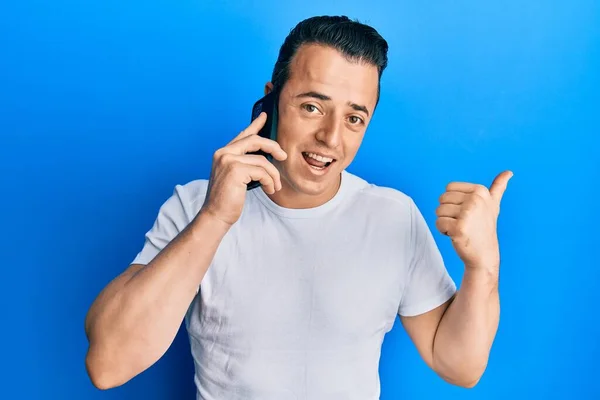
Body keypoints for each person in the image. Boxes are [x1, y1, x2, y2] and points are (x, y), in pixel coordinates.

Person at [84, 15, 512, 399]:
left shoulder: (393, 216)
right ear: (271, 100)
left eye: (353, 118)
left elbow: (458, 365)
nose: (330, 138)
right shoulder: (195, 205)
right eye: (311, 106)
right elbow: (108, 366)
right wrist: (214, 219)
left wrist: (483, 268)